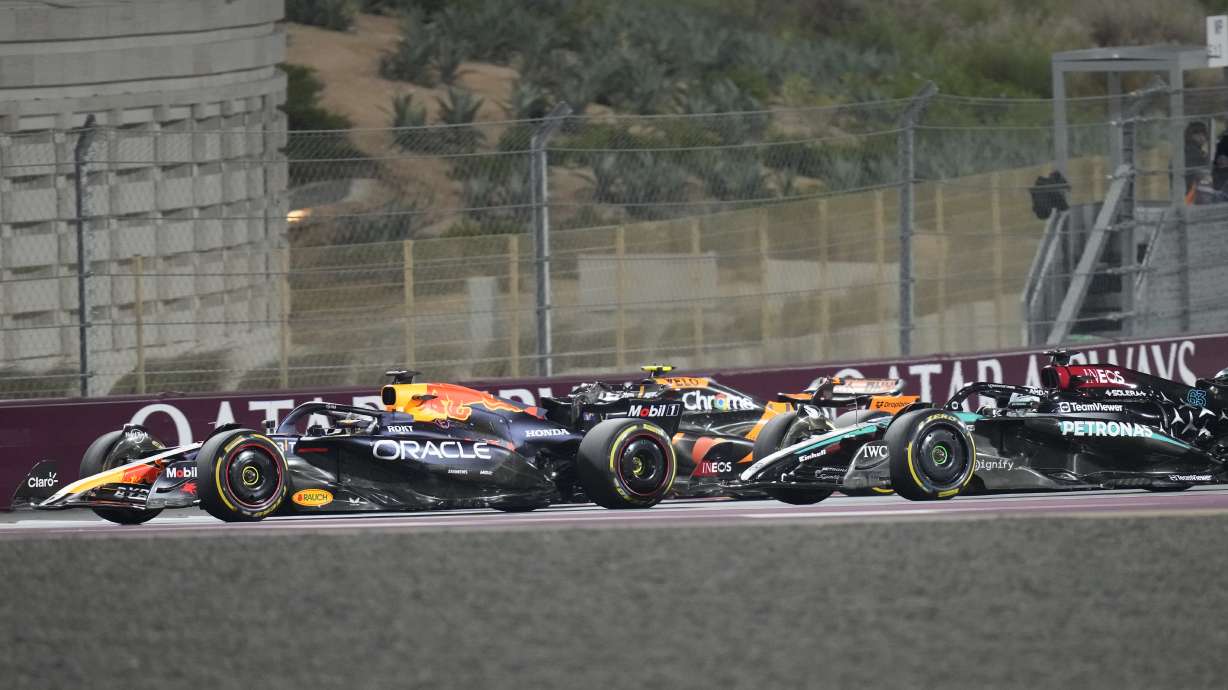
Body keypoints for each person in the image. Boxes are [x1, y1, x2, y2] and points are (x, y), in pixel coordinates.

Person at [1183, 121, 1210, 203]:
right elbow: (1201, 176)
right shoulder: (1194, 153)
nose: (1203, 138)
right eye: (1199, 134)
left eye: (1203, 134)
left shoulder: (1185, 150)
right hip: (1191, 197)